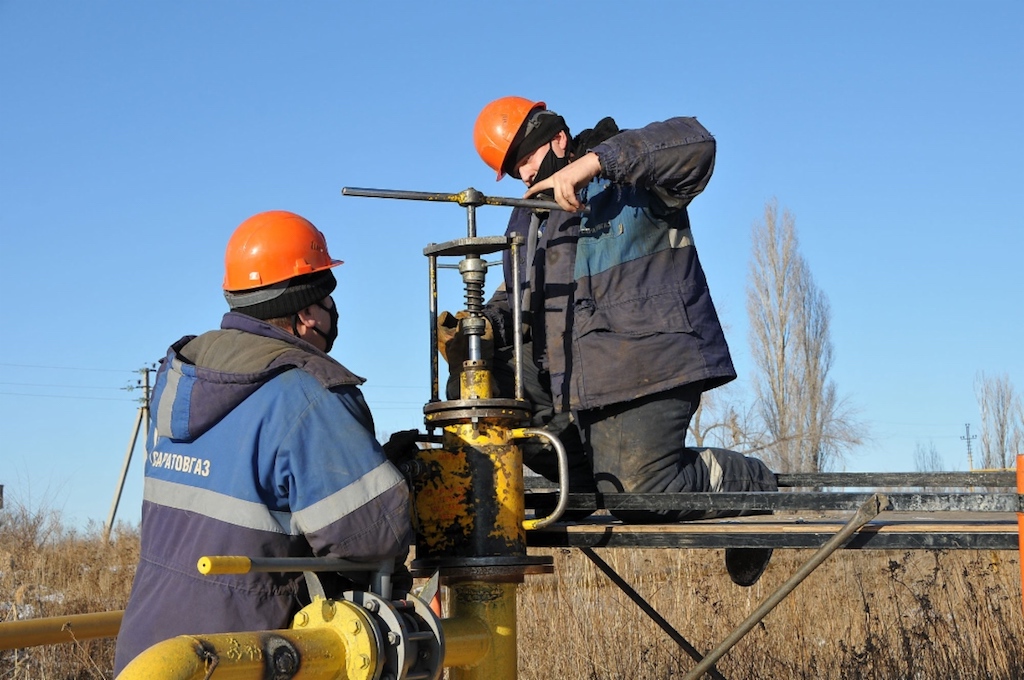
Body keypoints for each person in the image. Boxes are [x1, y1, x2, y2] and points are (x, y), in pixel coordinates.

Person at [470, 97, 777, 586]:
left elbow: (697, 143)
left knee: (640, 495)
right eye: (513, 169)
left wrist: (595, 164)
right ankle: (590, 482)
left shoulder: (628, 175)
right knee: (480, 381)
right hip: (575, 382)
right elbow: (517, 298)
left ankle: (754, 484)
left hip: (646, 363)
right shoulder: (527, 216)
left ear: (558, 139)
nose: (524, 174)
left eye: (525, 158)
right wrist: (481, 327)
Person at [113, 211, 414, 673]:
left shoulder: (182, 377)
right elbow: (373, 537)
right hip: (240, 658)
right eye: (327, 298)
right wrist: (396, 481)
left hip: (150, 654)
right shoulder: (306, 394)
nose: (332, 312)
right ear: (306, 312)